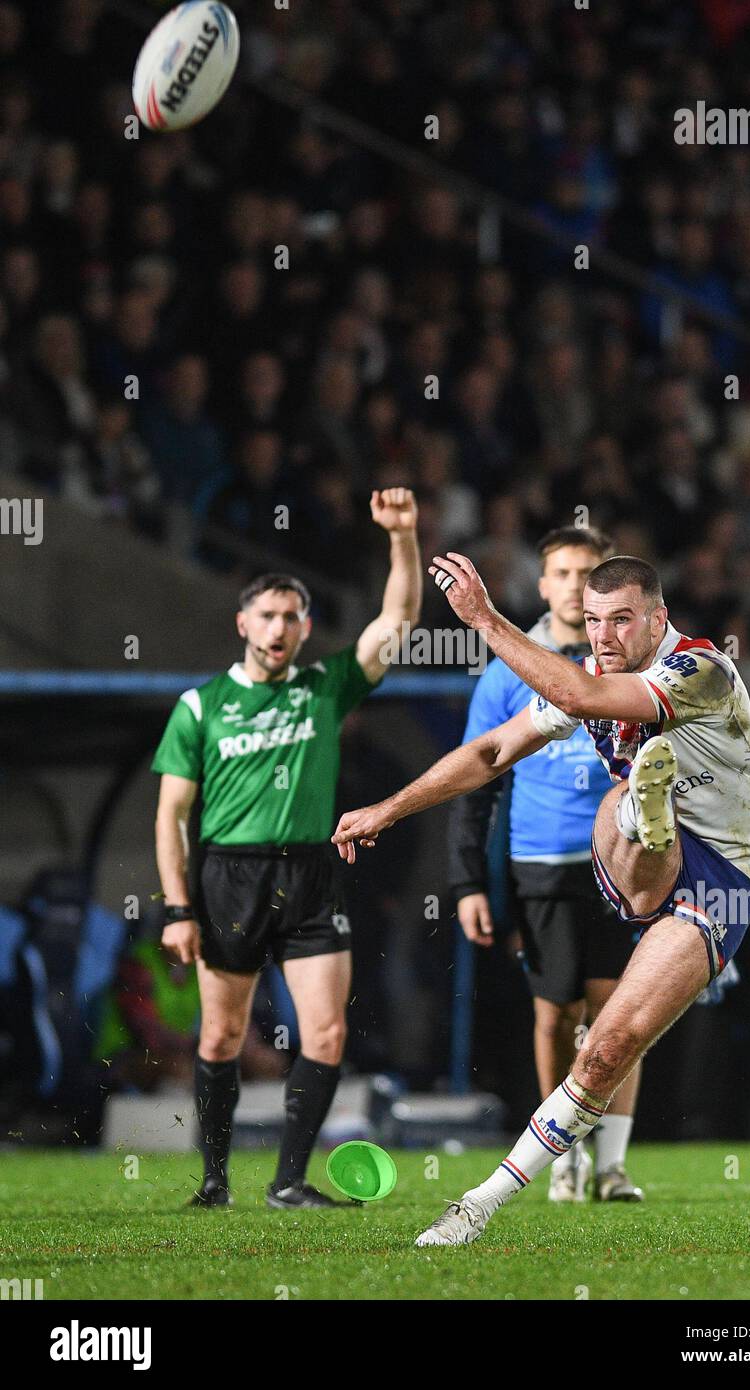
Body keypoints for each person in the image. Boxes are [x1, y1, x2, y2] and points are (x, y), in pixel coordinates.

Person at [332, 552, 750, 1245]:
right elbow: (488, 754)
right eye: (594, 622)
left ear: (659, 618)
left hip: (723, 883)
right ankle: (638, 812)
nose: (604, 637)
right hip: (638, 863)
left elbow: (583, 701)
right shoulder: (592, 675)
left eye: (623, 620)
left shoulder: (701, 671)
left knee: (604, 1050)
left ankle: (481, 1201)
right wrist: (388, 808)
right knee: (625, 794)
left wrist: (481, 618)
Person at [152, 488, 421, 1208]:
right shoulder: (201, 705)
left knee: (327, 1031)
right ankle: (213, 1181)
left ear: (306, 626)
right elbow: (172, 815)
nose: (277, 627)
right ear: (243, 622)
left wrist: (402, 538)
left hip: (309, 873)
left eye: (290, 616)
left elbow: (396, 620)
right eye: (265, 615)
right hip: (229, 876)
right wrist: (177, 907)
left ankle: (289, 1181)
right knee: (221, 1034)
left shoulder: (325, 688)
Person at [448, 525, 643, 1202]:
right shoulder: (510, 670)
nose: (573, 586)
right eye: (562, 573)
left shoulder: (628, 664)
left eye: (588, 575)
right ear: (543, 584)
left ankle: (612, 1164)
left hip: (622, 863)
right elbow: (475, 773)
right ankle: (563, 1154)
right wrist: (468, 880)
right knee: (556, 1015)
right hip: (542, 861)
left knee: (617, 1012)